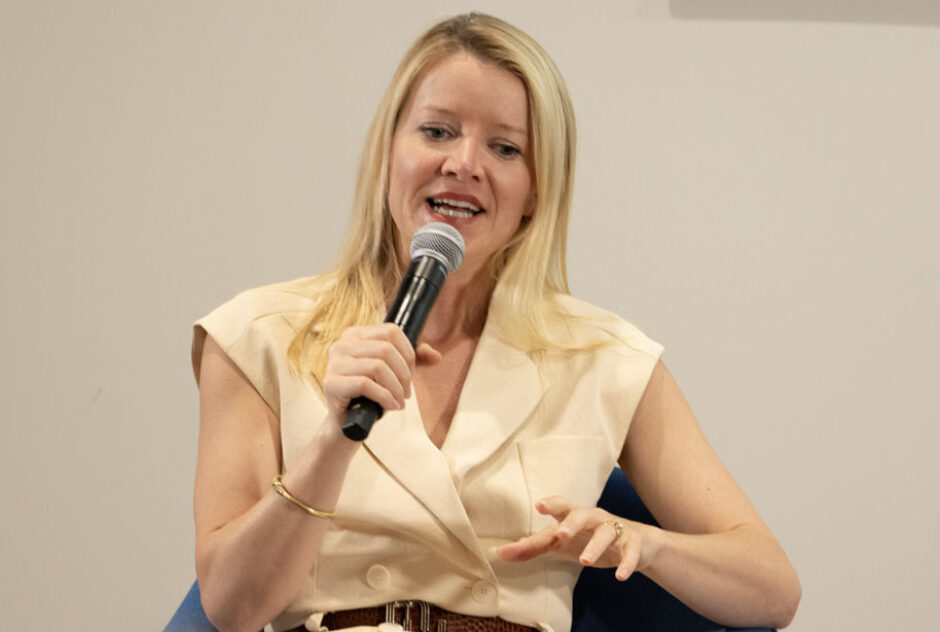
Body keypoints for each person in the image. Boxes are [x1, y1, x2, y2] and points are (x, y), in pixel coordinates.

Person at [190, 12, 801, 632]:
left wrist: (641, 542)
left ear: (536, 191)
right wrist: (330, 443)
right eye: (436, 131)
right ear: (388, 152)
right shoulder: (259, 335)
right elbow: (231, 609)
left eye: (505, 148)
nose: (463, 163)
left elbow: (771, 590)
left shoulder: (602, 355)